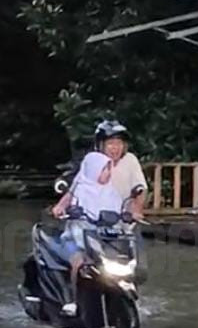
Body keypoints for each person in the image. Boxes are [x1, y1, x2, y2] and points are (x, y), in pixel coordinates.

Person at [58, 151, 123, 316]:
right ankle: (72, 300)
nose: (107, 173)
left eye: (109, 169)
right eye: (104, 169)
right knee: (78, 262)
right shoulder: (80, 192)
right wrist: (67, 210)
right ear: (93, 170)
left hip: (103, 240)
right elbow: (69, 212)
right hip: (75, 239)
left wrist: (127, 216)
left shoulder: (113, 193)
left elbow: (118, 217)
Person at [52, 120, 148, 219]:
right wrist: (61, 206)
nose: (115, 148)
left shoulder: (130, 160)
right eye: (110, 143)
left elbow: (140, 189)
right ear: (100, 145)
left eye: (119, 143)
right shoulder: (92, 161)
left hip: (122, 220)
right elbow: (76, 187)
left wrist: (136, 211)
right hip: (90, 220)